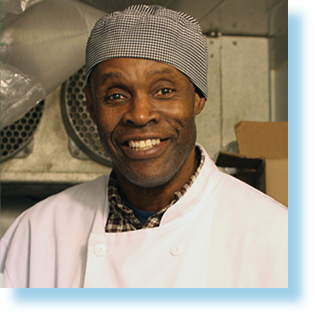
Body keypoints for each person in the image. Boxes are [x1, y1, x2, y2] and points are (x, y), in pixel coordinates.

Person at [0, 4, 287, 288]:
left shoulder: (277, 239)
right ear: (90, 104)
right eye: (115, 95)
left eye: (164, 90)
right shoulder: (36, 235)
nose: (139, 115)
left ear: (198, 97)